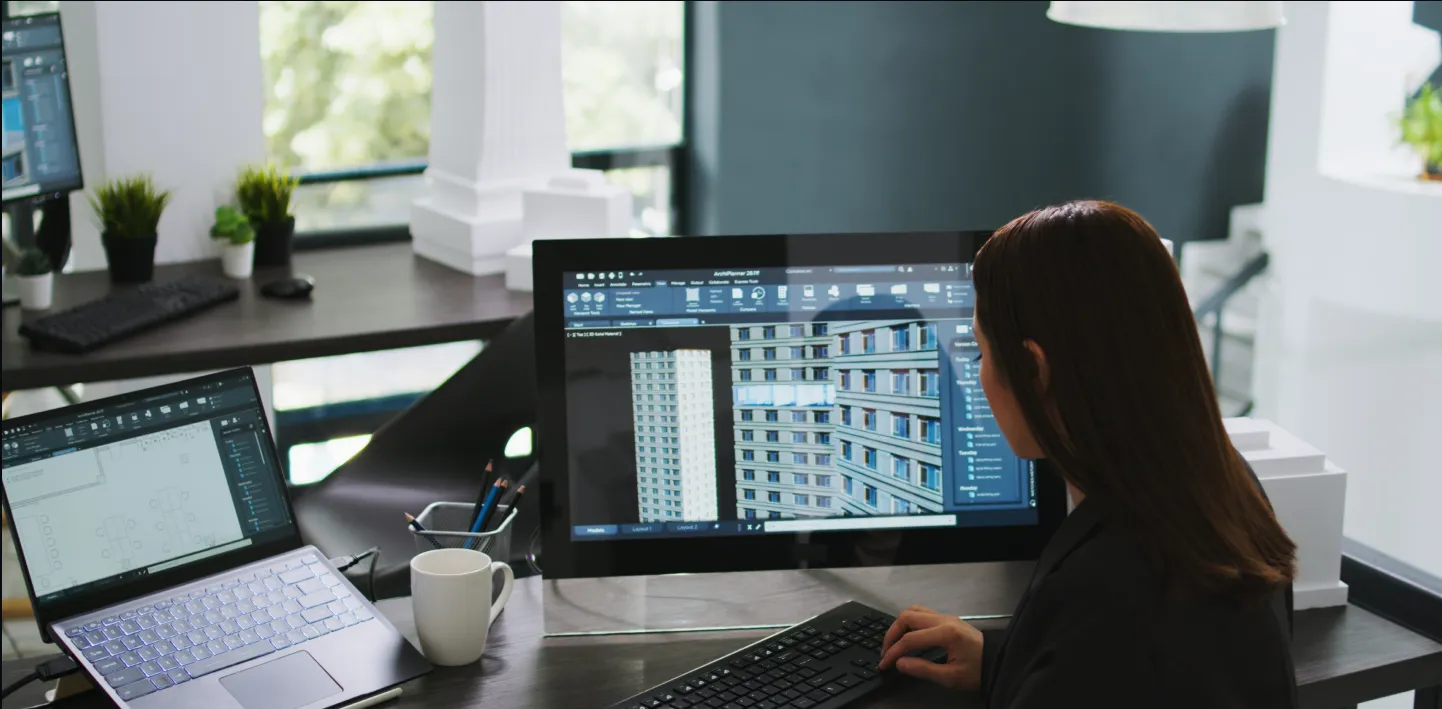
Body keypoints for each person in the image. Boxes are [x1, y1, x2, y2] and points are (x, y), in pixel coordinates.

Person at [877, 201, 1298, 708]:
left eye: (980, 351)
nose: (979, 376)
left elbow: (1108, 663)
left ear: (1033, 369)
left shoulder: (1100, 595)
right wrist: (1007, 662)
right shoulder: (1227, 491)